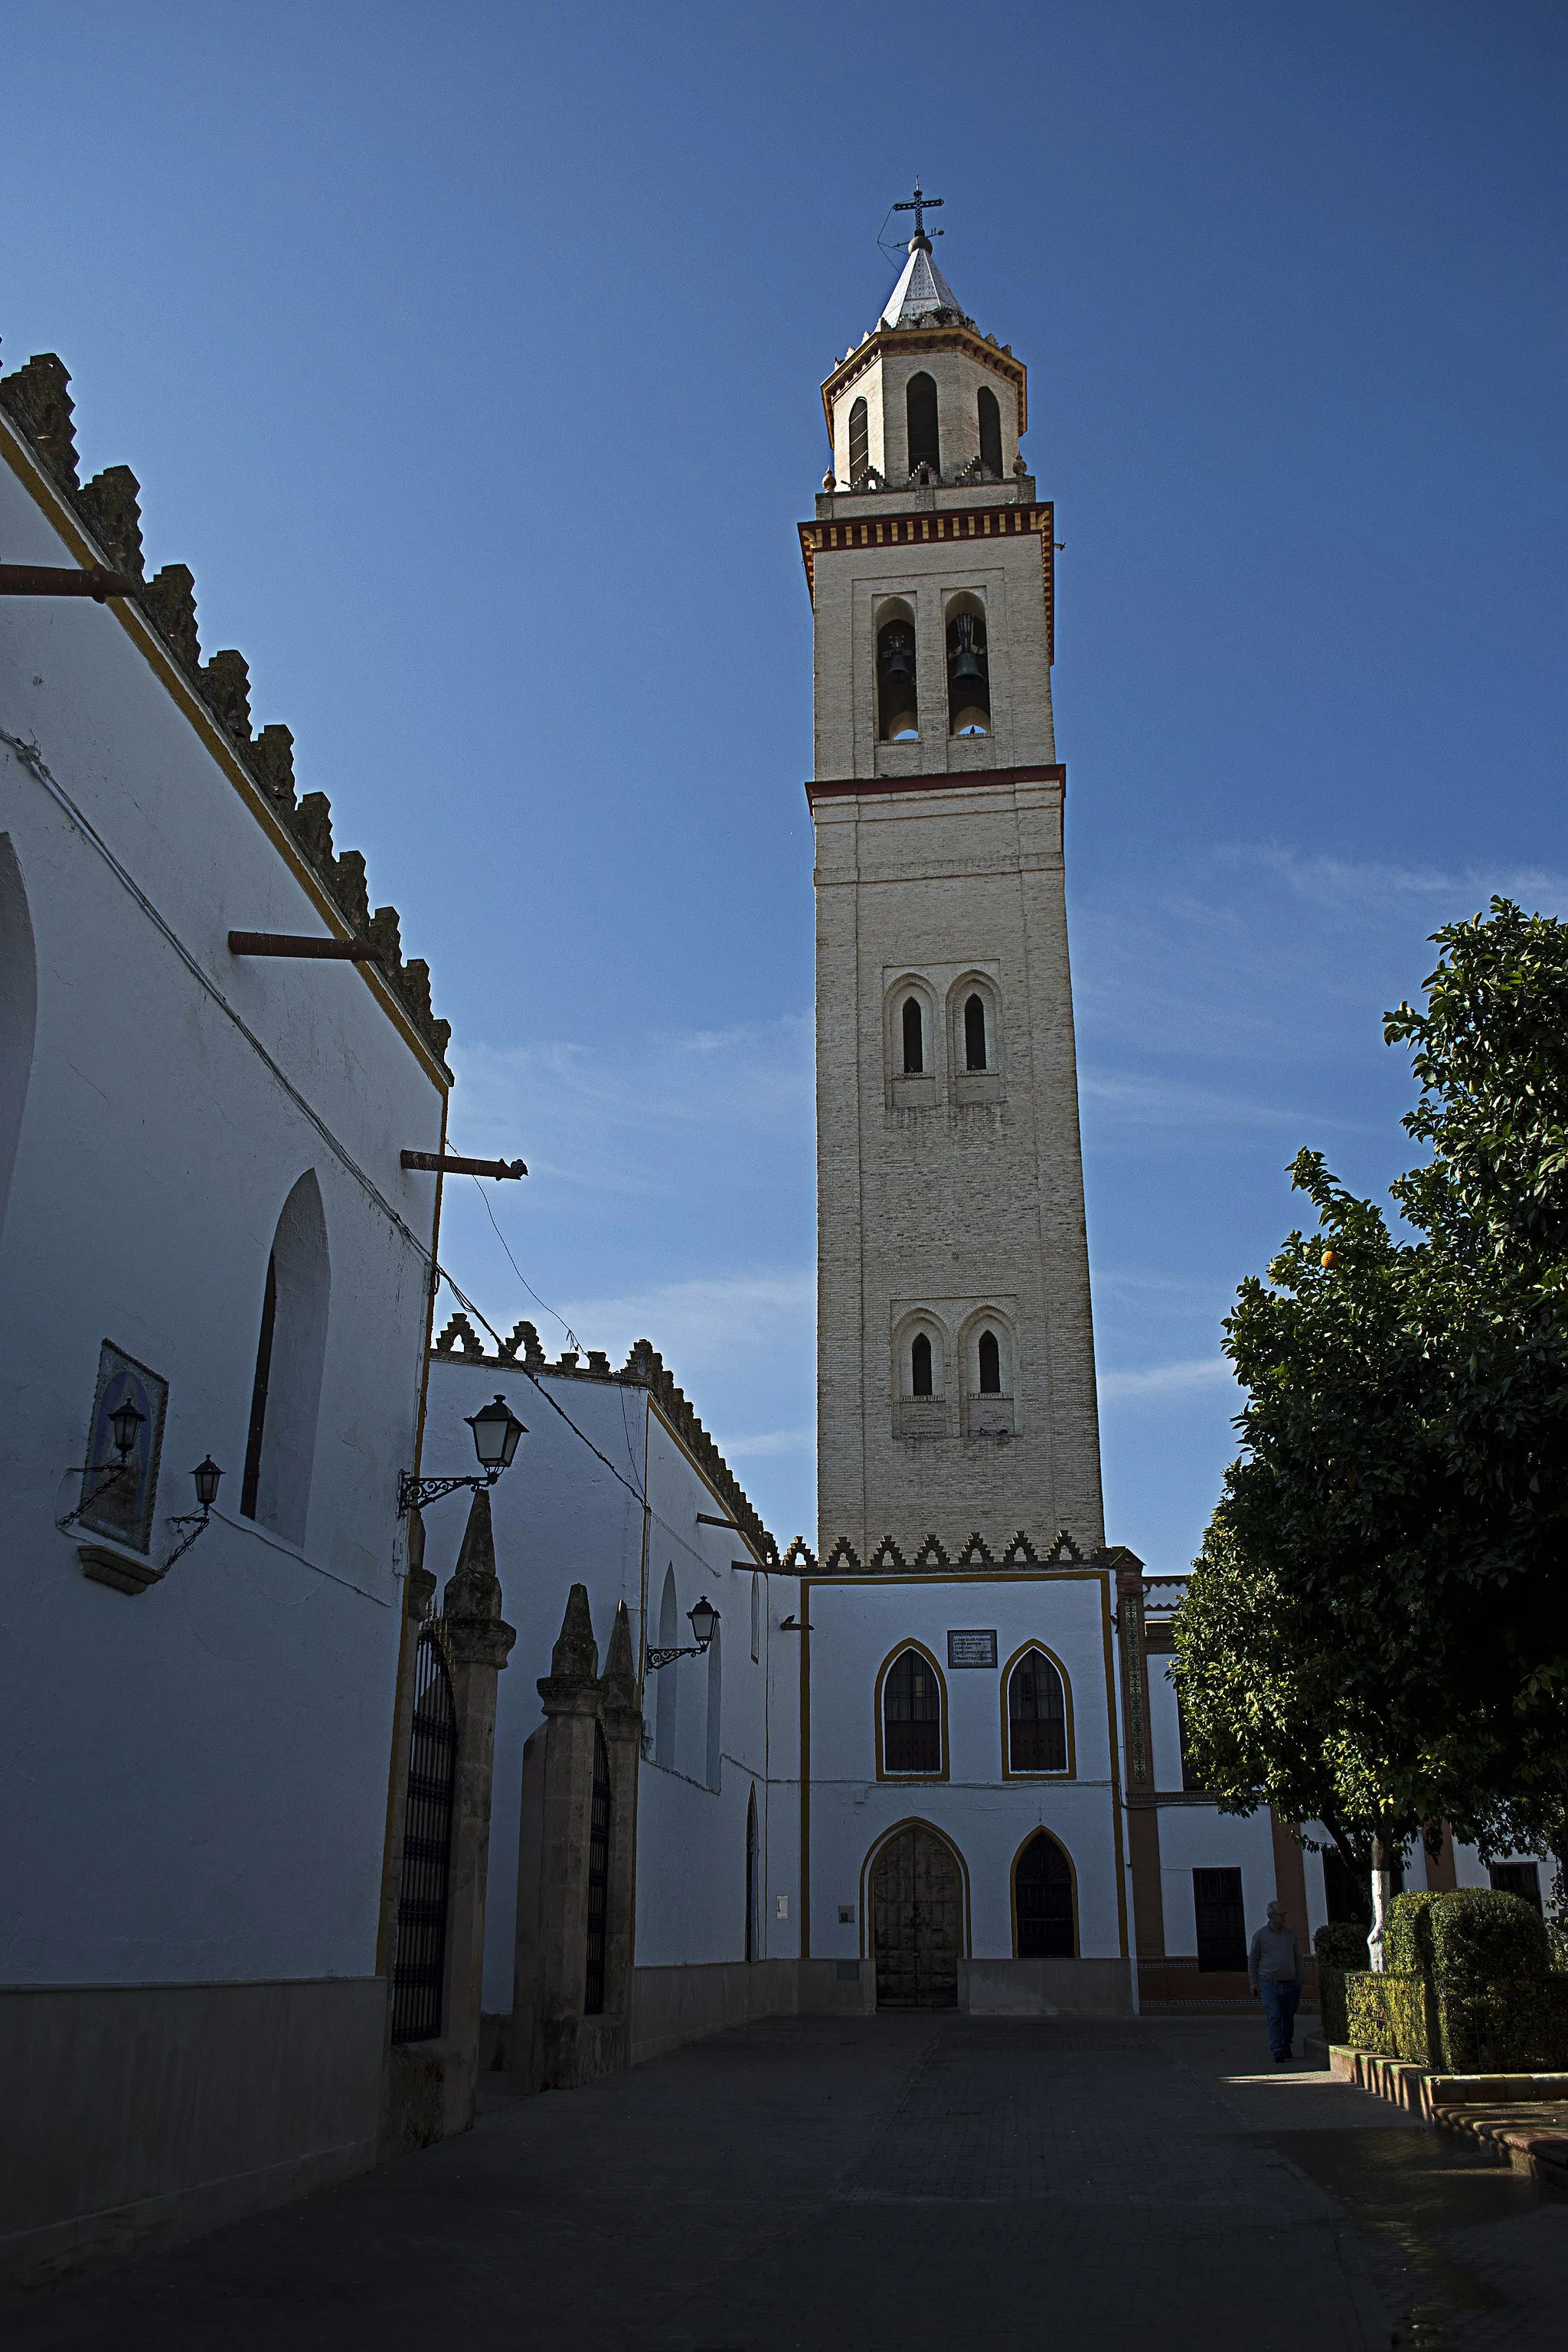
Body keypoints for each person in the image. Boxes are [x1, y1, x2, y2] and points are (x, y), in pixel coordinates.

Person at [1248, 1899, 1304, 2063]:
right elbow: (1253, 1960)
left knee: (1288, 2018)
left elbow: (1298, 1958)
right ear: (1272, 1916)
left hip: (1290, 1983)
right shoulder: (1259, 1936)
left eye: (1284, 1914)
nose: (1284, 1917)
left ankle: (1286, 2045)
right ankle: (1277, 2049)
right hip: (1269, 1983)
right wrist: (1253, 1982)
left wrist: (1299, 1979)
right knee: (1274, 2016)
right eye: (1281, 1915)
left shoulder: (1291, 1935)